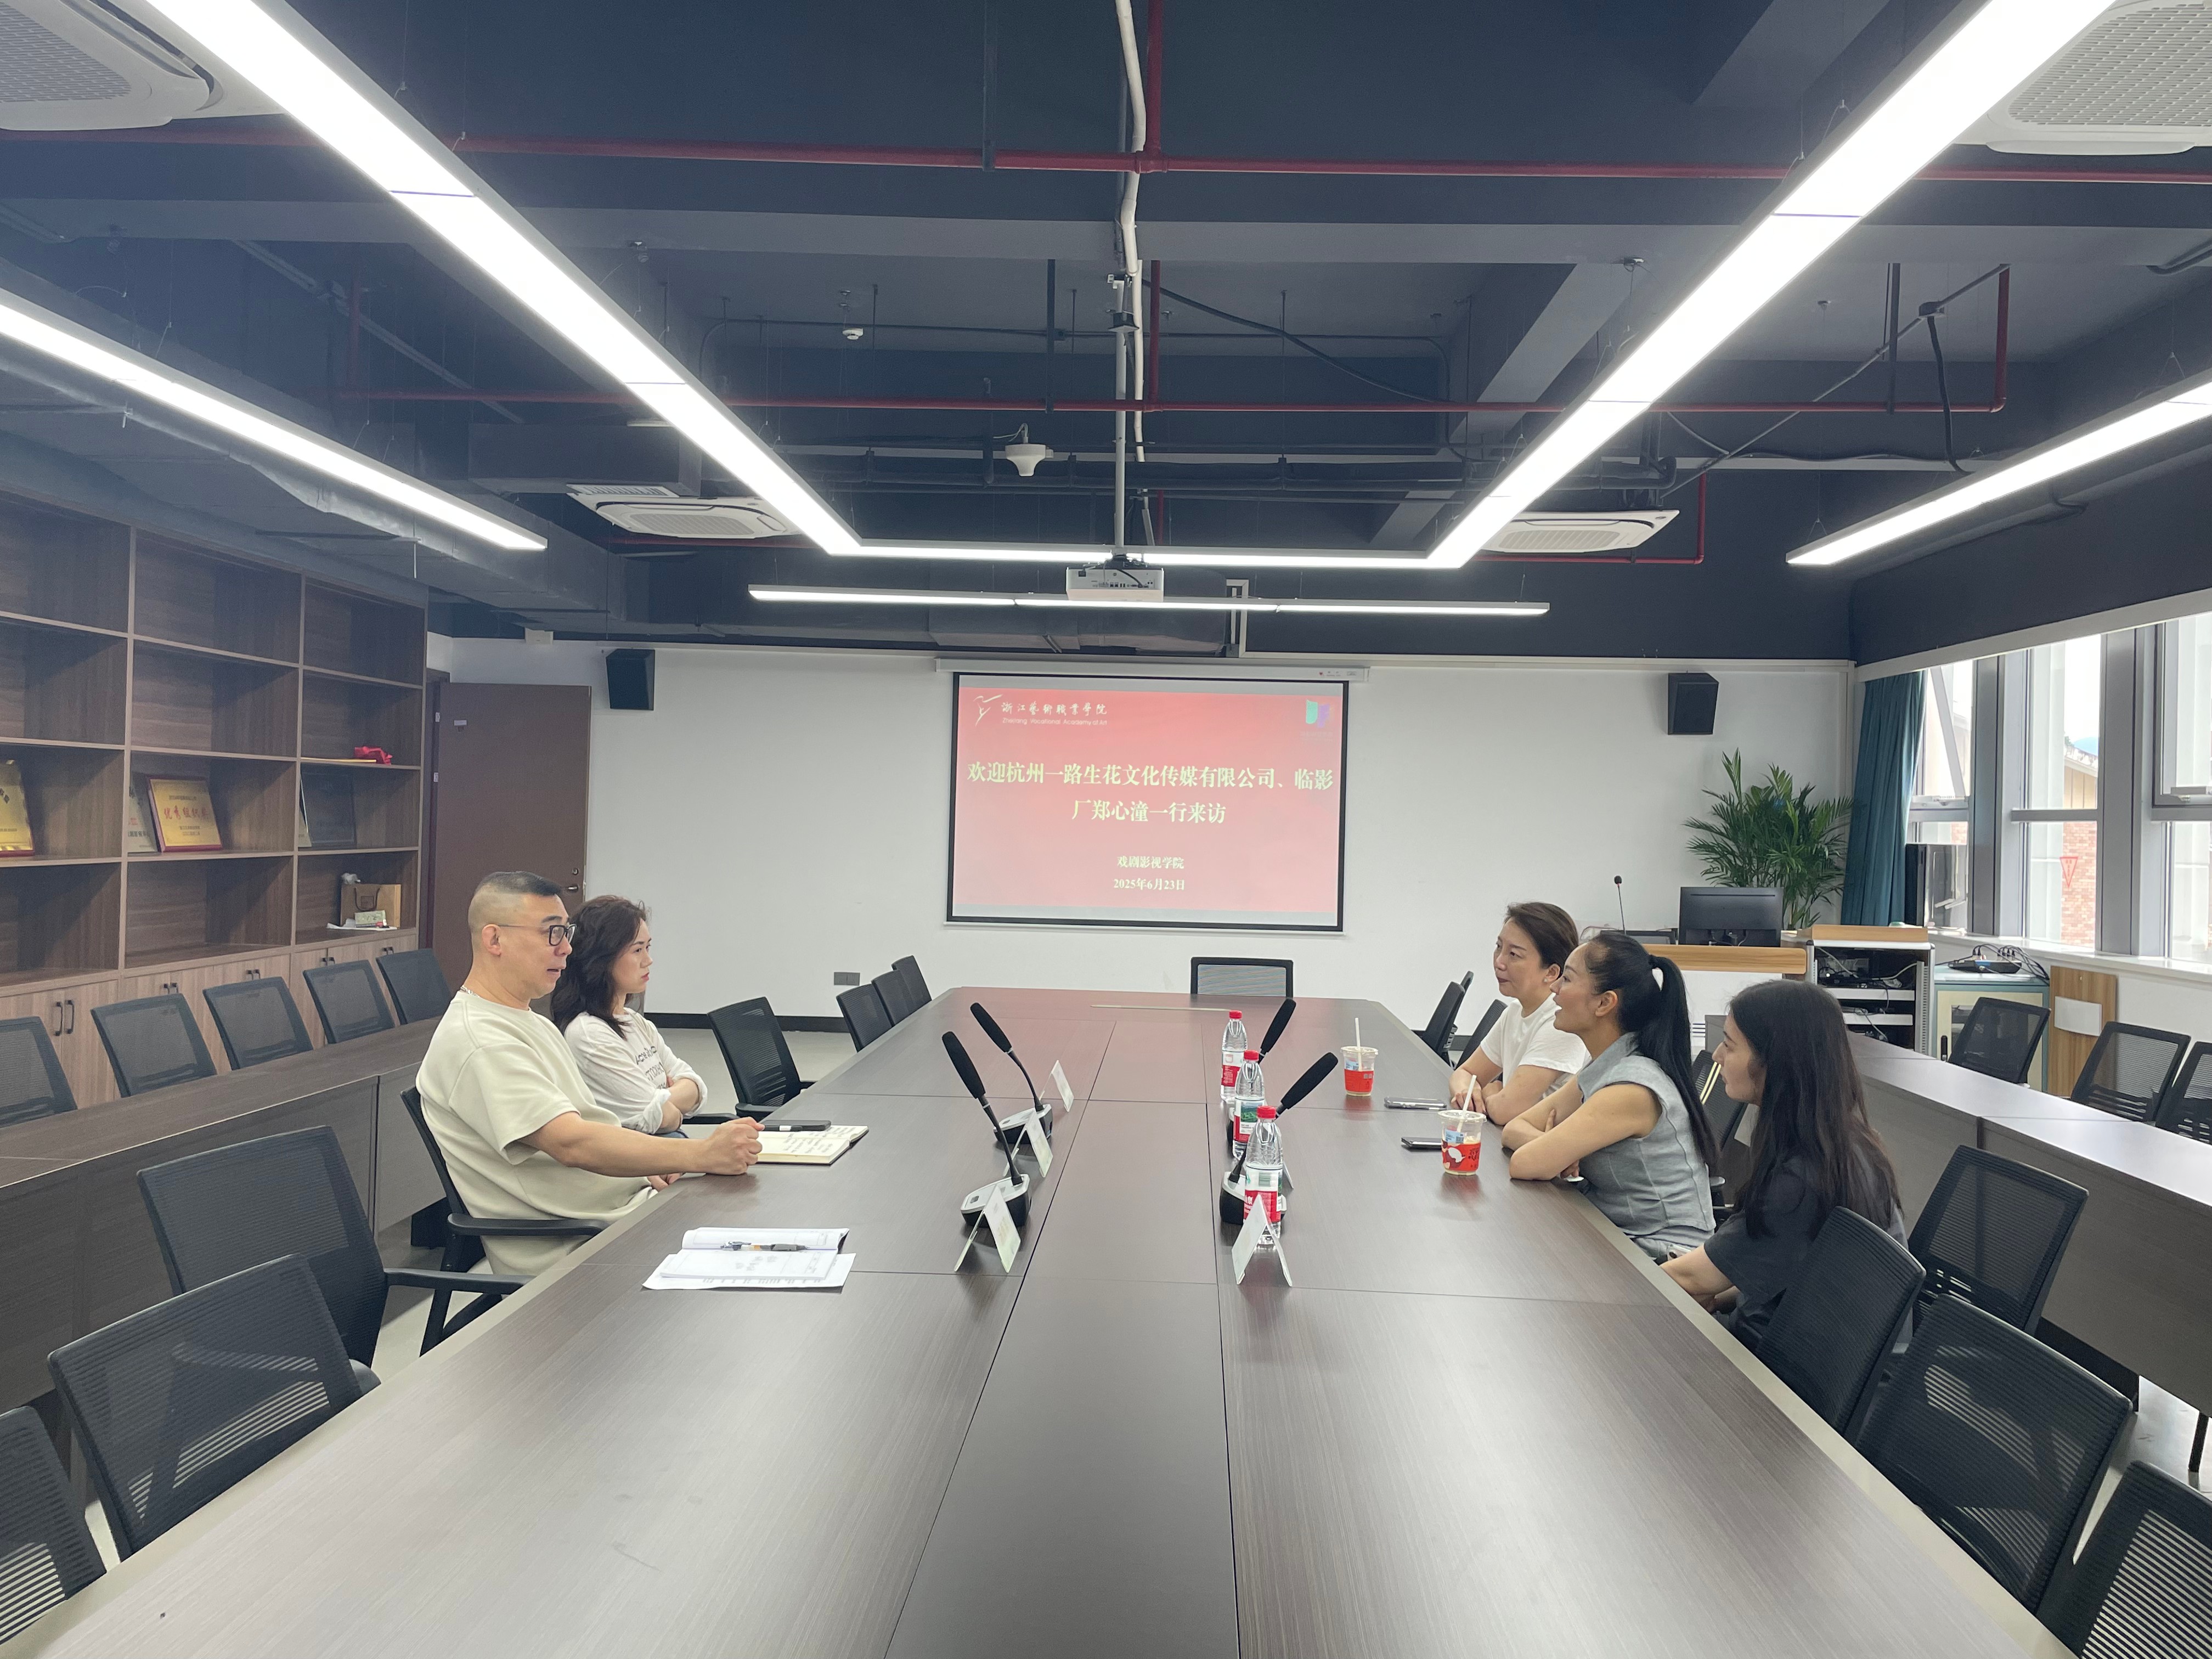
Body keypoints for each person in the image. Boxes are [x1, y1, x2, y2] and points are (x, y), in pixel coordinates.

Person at [417, 871, 761, 1276]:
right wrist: (700, 1153)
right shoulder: (481, 1041)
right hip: (580, 1247)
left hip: (620, 1213)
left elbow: (590, 1124)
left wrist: (648, 1163)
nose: (566, 948)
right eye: (552, 933)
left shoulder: (528, 1021)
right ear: (495, 940)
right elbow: (573, 1143)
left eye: (567, 932)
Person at [1661, 979, 1906, 1347]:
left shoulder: (1801, 1180)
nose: (1717, 1056)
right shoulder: (1846, 1143)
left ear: (1775, 1062)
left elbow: (1689, 1278)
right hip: (1805, 1342)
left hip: (1784, 1366)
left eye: (1729, 1045)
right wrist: (1719, 1292)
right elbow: (1782, 1264)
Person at [1503, 930, 1716, 1260]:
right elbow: (1513, 1129)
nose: (1554, 989)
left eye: (1567, 979)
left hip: (1662, 1260)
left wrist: (1551, 1150)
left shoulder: (1632, 1088)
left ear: (1604, 1003)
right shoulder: (1607, 1064)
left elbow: (1524, 1163)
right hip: (1616, 1234)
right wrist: (1553, 1147)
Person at [551, 894, 709, 1134]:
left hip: (664, 1144)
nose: (648, 960)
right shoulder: (589, 1034)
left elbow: (697, 1088)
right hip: (644, 1152)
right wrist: (670, 1106)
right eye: (637, 950)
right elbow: (654, 1116)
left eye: (648, 948)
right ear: (602, 959)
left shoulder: (634, 1022)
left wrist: (662, 1101)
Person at [1448, 901, 1587, 1125]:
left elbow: (1506, 1111)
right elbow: (1464, 1073)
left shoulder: (1561, 1022)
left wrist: (1490, 1091)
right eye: (1499, 947)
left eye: (1514, 954)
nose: (1499, 962)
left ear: (1551, 972)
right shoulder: (1516, 1010)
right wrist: (1467, 1092)